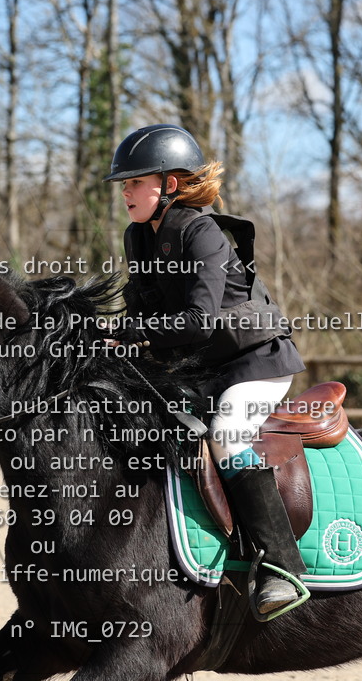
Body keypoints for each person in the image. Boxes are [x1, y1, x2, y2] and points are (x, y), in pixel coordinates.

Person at [102, 123, 308, 617]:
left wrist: (134, 332)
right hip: (203, 368)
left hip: (257, 362)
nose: (126, 192)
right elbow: (145, 313)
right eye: (125, 184)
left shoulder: (203, 233)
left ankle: (281, 567)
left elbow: (199, 320)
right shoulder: (139, 237)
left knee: (227, 434)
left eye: (135, 182)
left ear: (169, 184)